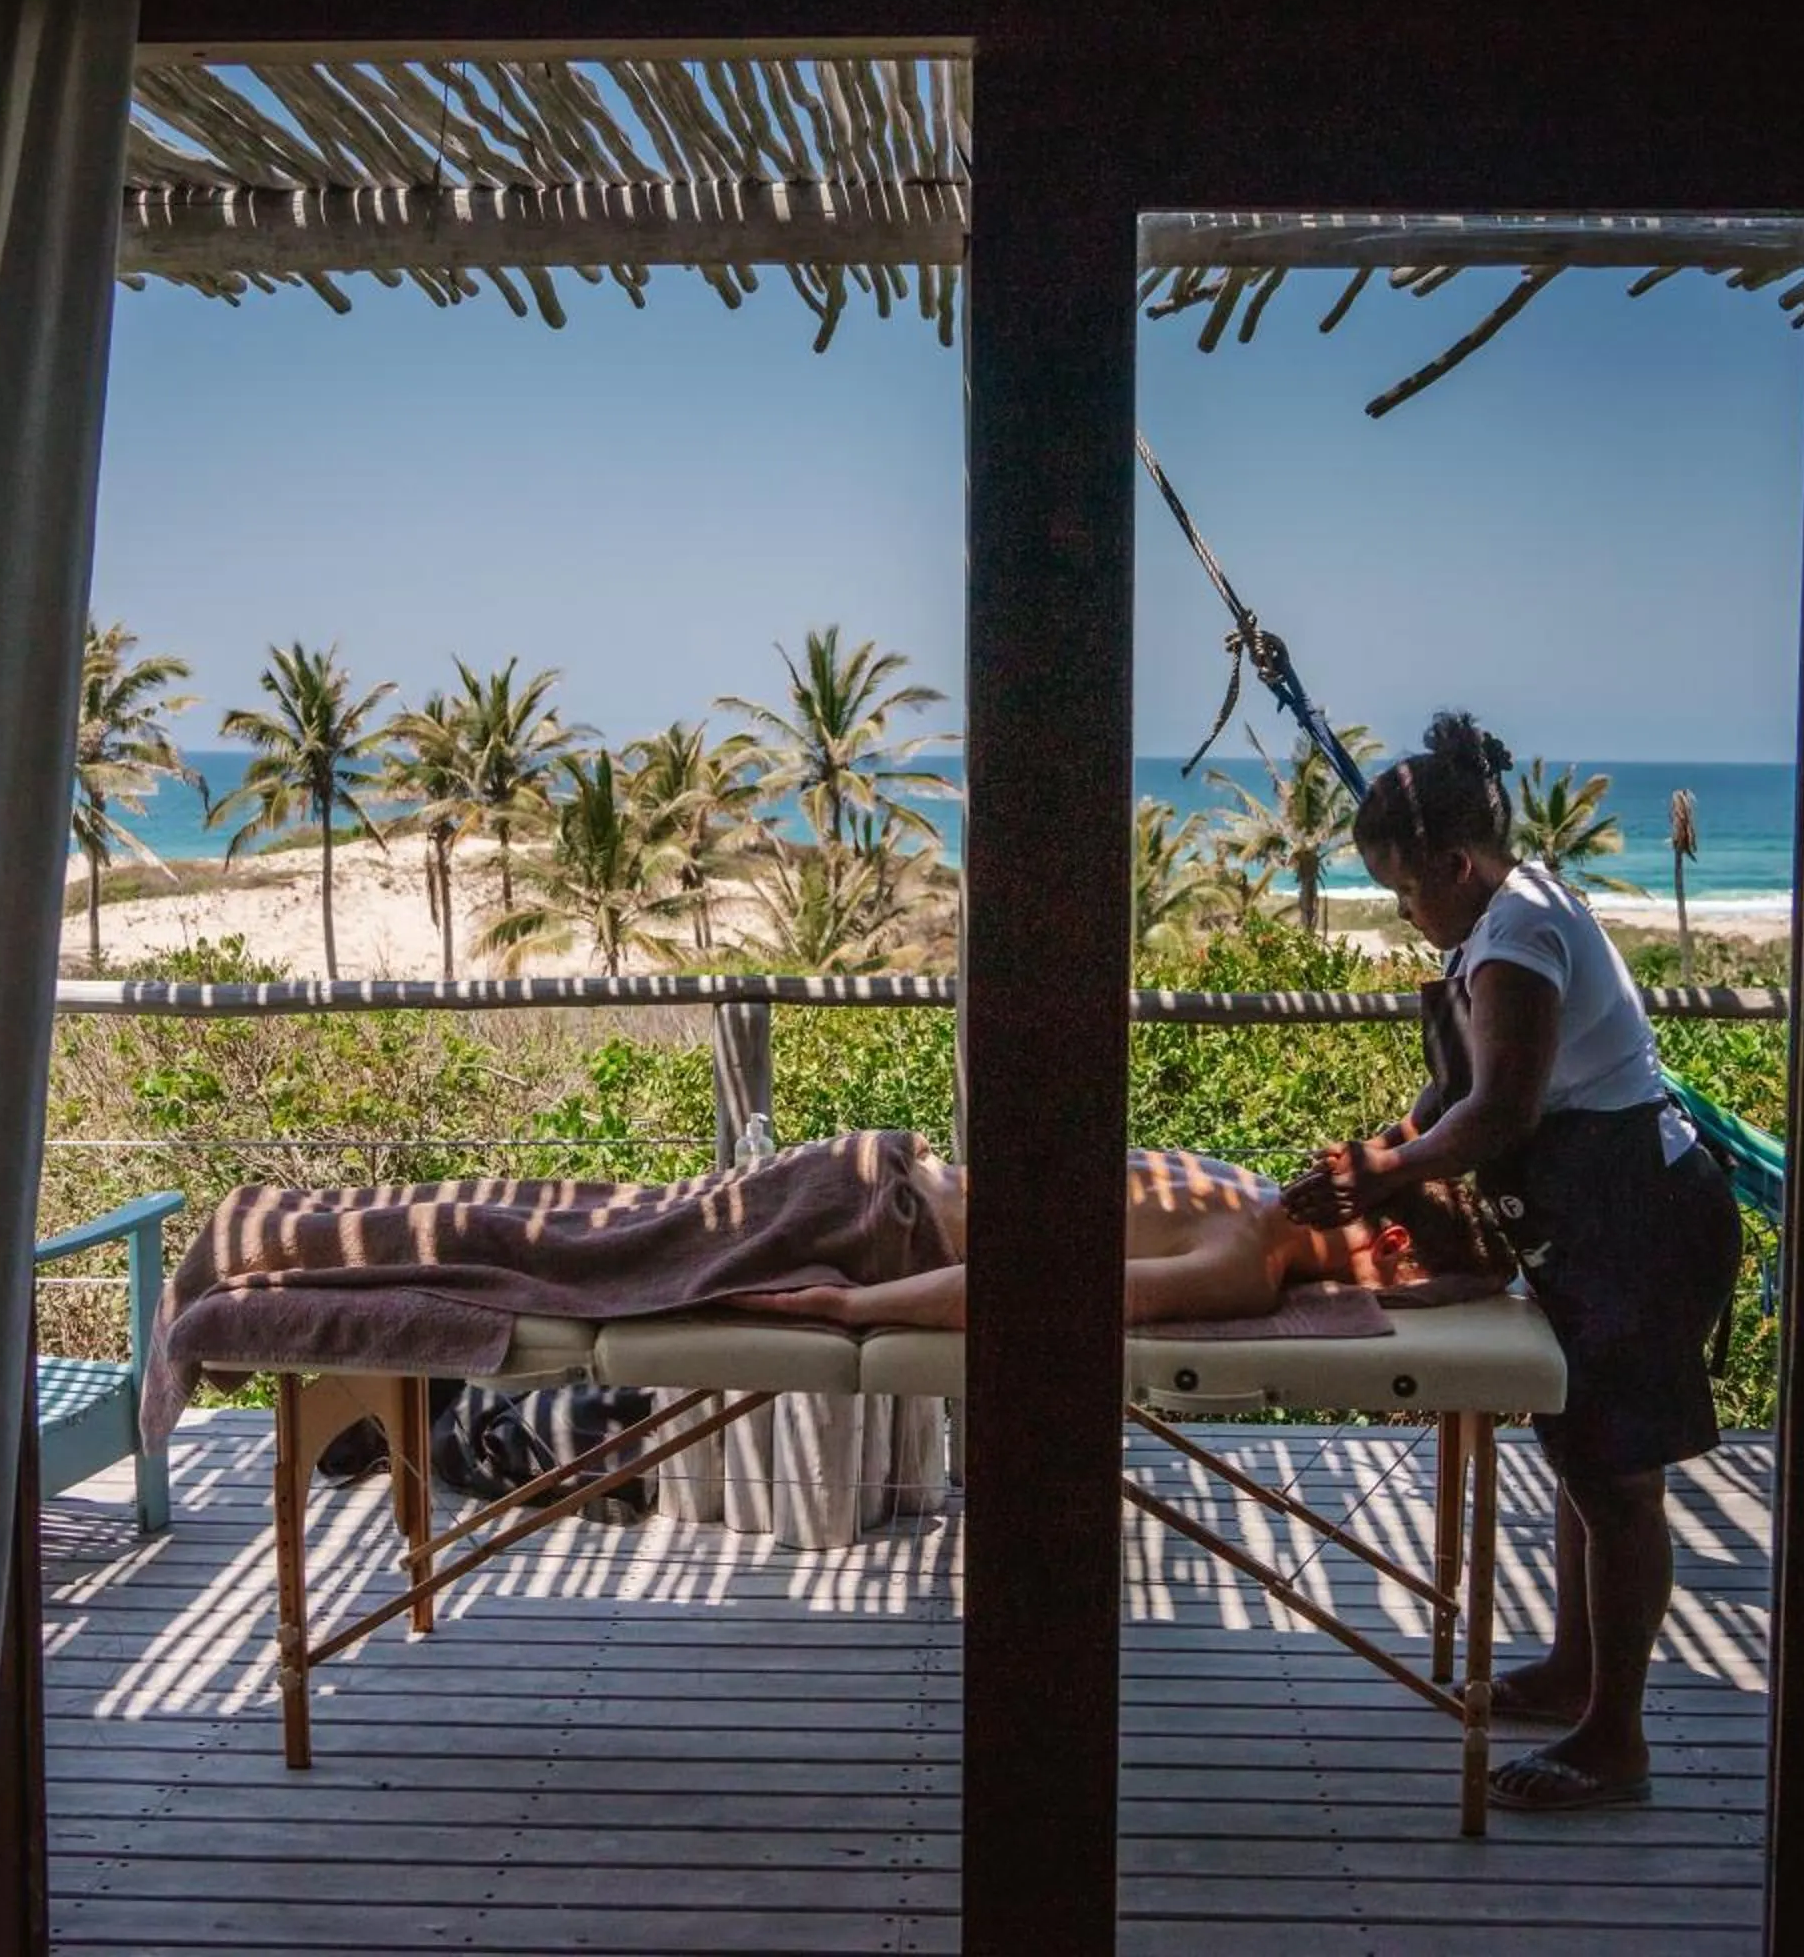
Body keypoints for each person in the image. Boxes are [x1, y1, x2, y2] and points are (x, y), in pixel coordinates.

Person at [1282, 709, 1740, 1814]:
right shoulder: (1503, 919)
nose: (1404, 912)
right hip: (1597, 1219)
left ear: (1451, 862)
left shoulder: (1519, 936)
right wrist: (1388, 1149)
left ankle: (1615, 1739)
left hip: (1638, 1217)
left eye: (1405, 889)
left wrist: (1381, 1180)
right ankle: (1580, 1674)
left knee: (1620, 1485)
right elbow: (1453, 1100)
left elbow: (1499, 1111)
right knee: (1588, 1466)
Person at [731, 1144, 1509, 1331]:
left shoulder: (1230, 1179)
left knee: (640, 1221)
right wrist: (845, 1306)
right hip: (880, 1229)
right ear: (1393, 1241)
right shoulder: (1245, 1267)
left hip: (884, 1158)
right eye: (1406, 1288)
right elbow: (1034, 1293)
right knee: (621, 1257)